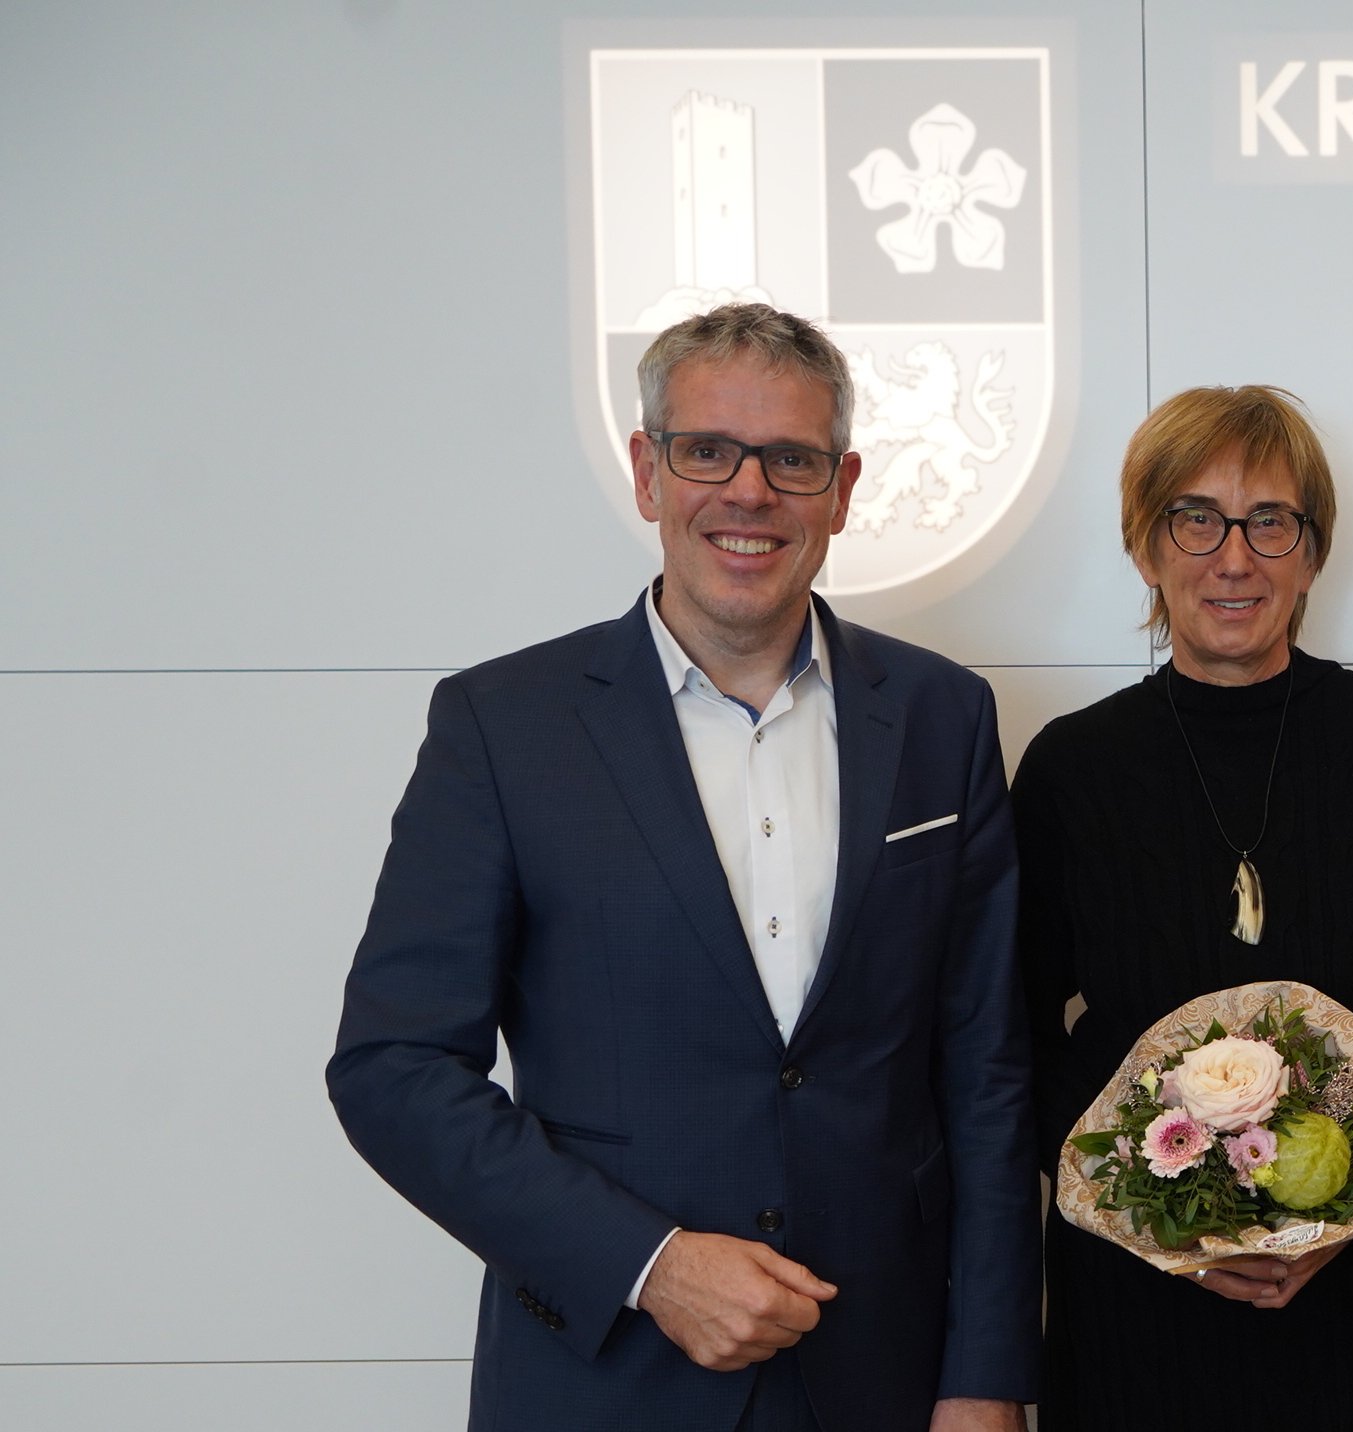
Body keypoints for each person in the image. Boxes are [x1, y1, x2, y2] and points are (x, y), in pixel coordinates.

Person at [327, 304, 1039, 1432]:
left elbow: (985, 1072)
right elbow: (393, 1068)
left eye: (791, 459)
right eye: (708, 449)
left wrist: (985, 1373)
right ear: (648, 471)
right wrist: (648, 1262)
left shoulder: (944, 717)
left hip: (884, 1381)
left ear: (842, 488)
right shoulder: (504, 726)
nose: (748, 492)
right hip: (602, 1378)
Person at [1012, 385, 1353, 1430]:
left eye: (1268, 522)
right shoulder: (1072, 767)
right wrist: (1157, 1216)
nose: (1231, 557)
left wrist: (1352, 1211)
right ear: (1144, 546)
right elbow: (1011, 1036)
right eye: (1193, 518)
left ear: (1311, 551)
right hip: (1133, 1310)